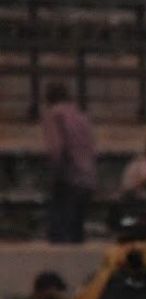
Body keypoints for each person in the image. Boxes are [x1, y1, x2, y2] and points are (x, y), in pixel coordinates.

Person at [40, 82, 97, 244]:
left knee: (60, 232)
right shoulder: (81, 115)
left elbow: (57, 148)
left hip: (68, 177)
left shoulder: (54, 115)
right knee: (76, 231)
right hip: (87, 176)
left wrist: (54, 174)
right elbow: (91, 147)